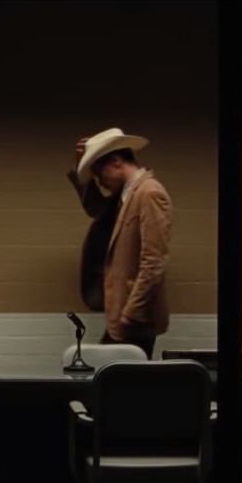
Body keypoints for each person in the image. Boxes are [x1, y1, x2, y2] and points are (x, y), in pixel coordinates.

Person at [67, 128, 173, 357]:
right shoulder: (125, 196)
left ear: (115, 162)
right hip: (124, 317)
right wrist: (81, 166)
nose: (101, 183)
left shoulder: (149, 193)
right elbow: (97, 210)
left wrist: (130, 313)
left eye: (99, 174)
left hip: (134, 319)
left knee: (116, 381)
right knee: (111, 377)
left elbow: (154, 261)